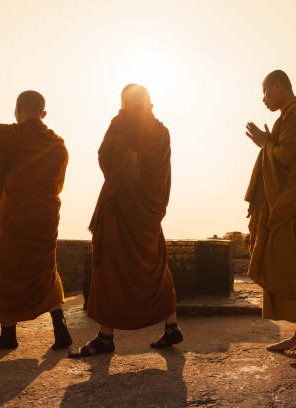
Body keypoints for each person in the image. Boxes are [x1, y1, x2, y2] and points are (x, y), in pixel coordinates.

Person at [70, 84, 181, 358]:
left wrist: (120, 123)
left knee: (109, 268)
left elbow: (107, 161)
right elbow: (162, 172)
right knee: (154, 266)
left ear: (125, 103)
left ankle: (105, 337)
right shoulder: (161, 131)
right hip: (149, 209)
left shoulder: (122, 123)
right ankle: (171, 326)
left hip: (120, 207)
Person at [0, 91, 72, 350]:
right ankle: (59, 325)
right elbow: (58, 184)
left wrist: (1, 190)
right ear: (43, 114)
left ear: (17, 109)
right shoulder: (58, 144)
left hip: (14, 213)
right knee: (46, 268)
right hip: (46, 215)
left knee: (7, 268)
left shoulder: (6, 135)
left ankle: (8, 333)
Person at [245, 69, 296, 356]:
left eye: (266, 92)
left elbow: (287, 157)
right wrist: (269, 143)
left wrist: (266, 144)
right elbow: (282, 152)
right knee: (284, 261)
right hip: (288, 200)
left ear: (279, 85)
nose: (264, 99)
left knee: (293, 263)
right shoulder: (287, 116)